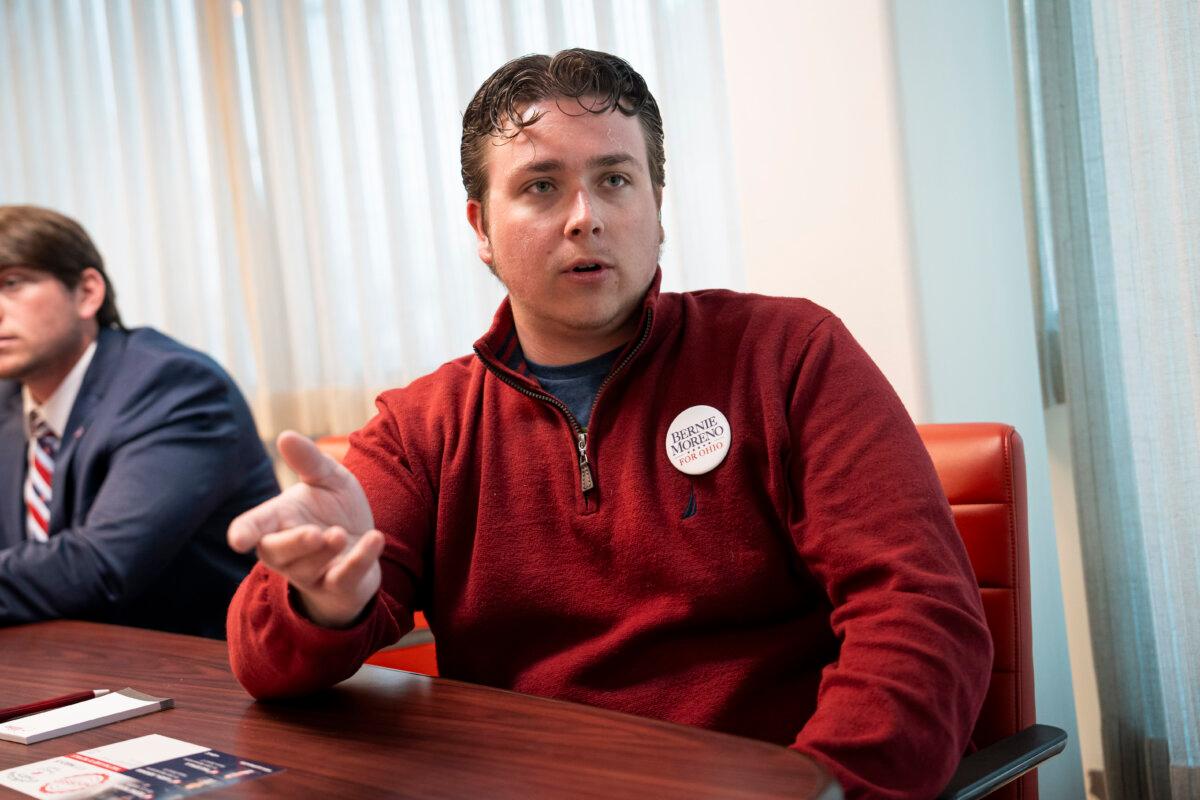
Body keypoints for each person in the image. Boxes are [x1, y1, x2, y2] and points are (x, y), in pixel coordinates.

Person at [226, 49, 992, 798]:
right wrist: (323, 603)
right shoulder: (424, 425)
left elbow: (920, 618)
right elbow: (265, 665)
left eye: (615, 180)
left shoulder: (789, 356)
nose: (585, 218)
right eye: (541, 187)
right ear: (481, 229)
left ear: (657, 205)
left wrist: (822, 786)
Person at [0, 205, 278, 638]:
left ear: (88, 292)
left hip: (197, 673)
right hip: (60, 659)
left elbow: (100, 566)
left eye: (12, 284)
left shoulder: (172, 385)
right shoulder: (7, 398)